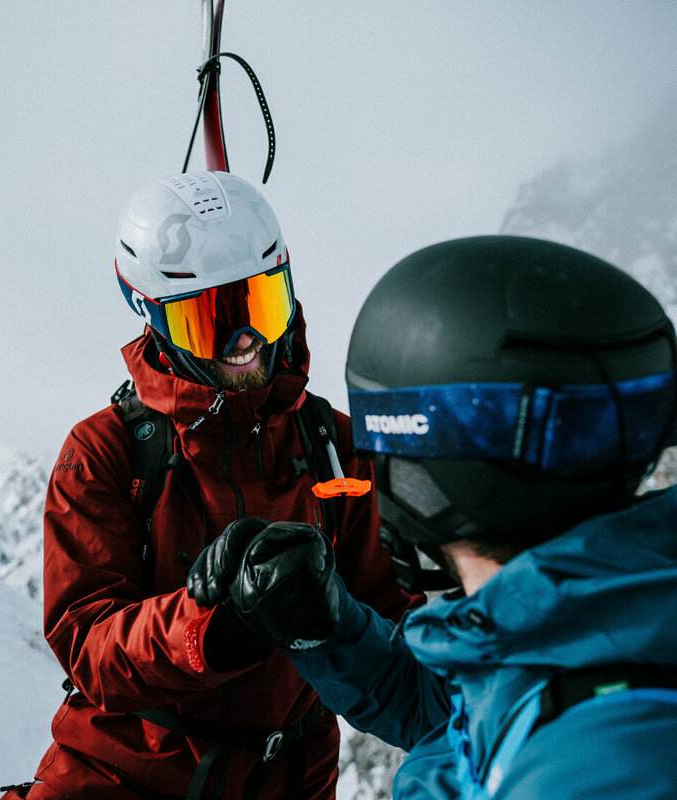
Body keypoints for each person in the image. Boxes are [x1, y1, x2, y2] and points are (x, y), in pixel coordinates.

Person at [189, 236, 677, 799]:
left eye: (380, 451)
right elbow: (456, 707)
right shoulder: (600, 616)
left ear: (431, 471)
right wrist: (321, 627)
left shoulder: (595, 770)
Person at [0, 170, 411, 800]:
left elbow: (399, 629)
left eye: (261, 307)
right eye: (209, 320)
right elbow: (89, 644)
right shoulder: (107, 453)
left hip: (285, 777)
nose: (245, 341)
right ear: (154, 318)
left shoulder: (336, 450)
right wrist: (214, 627)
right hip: (124, 773)